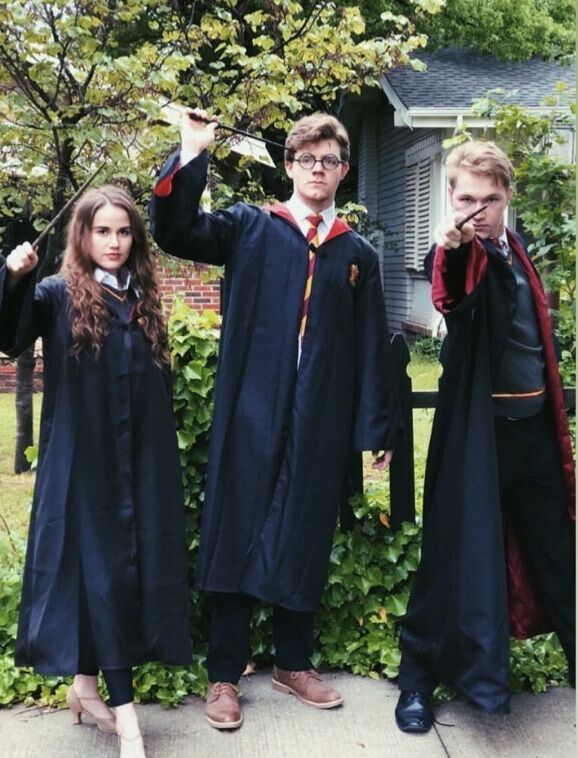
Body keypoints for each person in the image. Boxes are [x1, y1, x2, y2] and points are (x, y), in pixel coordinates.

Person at [150, 110, 400, 729]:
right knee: (235, 530)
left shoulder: (357, 253)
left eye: (330, 160)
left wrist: (377, 427)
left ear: (344, 170)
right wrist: (192, 150)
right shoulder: (251, 226)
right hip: (251, 410)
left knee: (304, 531)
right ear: (289, 165)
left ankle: (293, 663)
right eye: (307, 159)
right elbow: (176, 230)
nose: (318, 169)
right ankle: (223, 675)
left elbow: (372, 345)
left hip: (319, 416)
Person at [0, 186, 191, 758]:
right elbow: (9, 336)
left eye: (124, 231)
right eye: (102, 231)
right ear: (81, 236)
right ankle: (128, 717)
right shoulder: (57, 295)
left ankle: (85, 689)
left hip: (141, 461)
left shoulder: (142, 298)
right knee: (103, 574)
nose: (114, 242)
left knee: (124, 572)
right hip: (84, 464)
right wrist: (13, 277)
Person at [394, 140, 575, 733]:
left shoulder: (515, 250)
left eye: (490, 199)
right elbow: (451, 290)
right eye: (467, 198)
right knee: (449, 558)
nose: (478, 210)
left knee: (559, 555)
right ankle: (417, 679)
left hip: (532, 436)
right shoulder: (460, 251)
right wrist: (449, 247)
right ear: (451, 196)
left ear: (507, 198)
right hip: (477, 441)